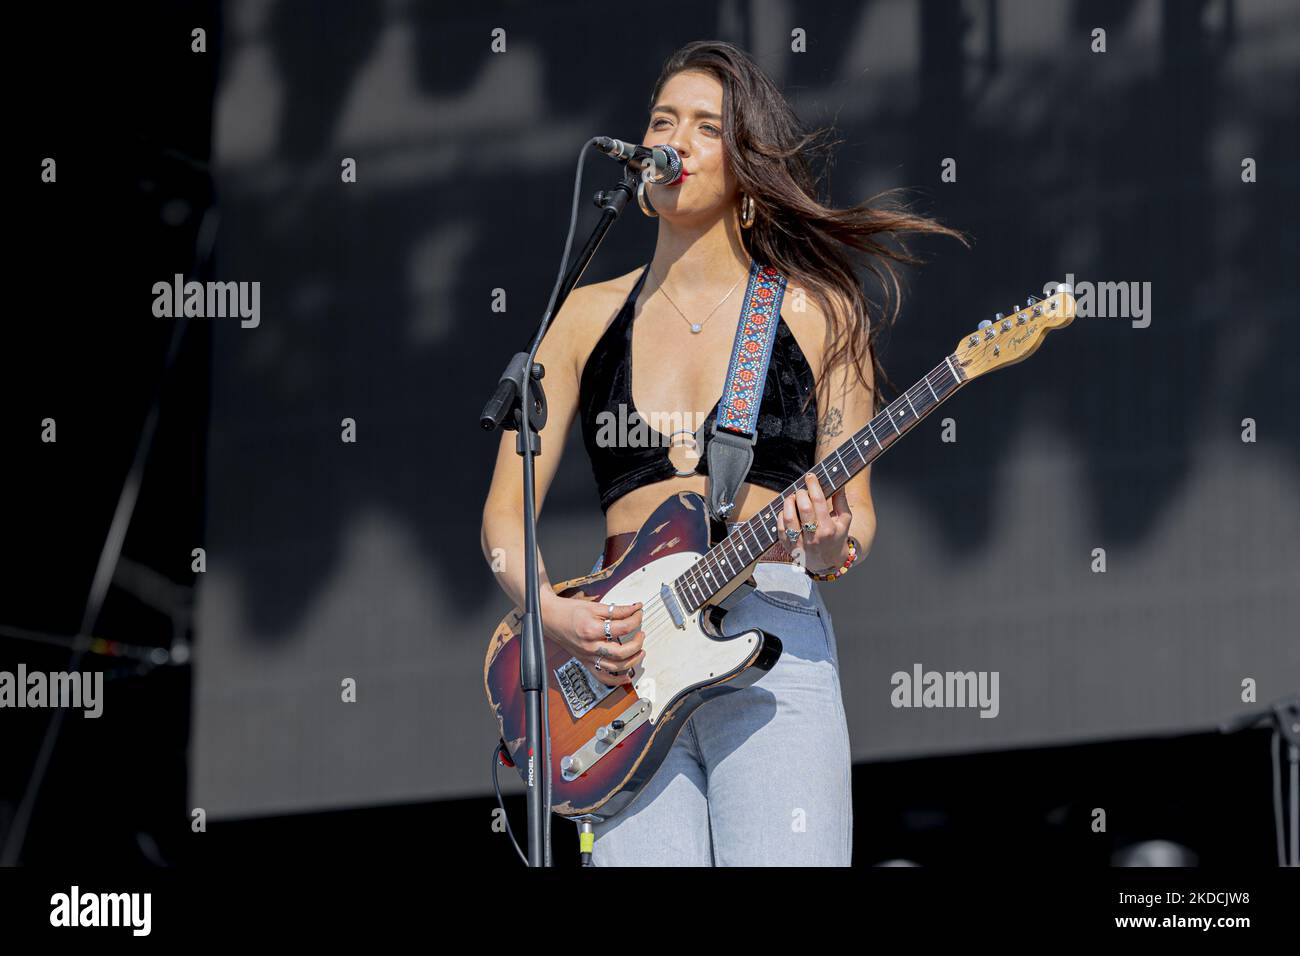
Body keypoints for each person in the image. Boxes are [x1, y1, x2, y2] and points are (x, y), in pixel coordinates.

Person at [480, 40, 965, 865]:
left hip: (770, 642)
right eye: (663, 120)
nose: (675, 138)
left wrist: (825, 545)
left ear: (745, 166)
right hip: (617, 665)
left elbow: (859, 526)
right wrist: (554, 614)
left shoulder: (819, 312)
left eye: (706, 127)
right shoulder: (582, 317)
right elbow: (502, 515)